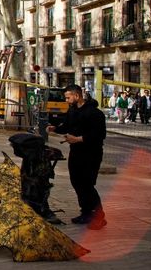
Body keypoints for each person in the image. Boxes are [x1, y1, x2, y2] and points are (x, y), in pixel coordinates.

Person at [47, 84, 106, 229]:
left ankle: (98, 215)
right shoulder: (73, 110)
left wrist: (79, 139)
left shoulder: (95, 113)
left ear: (77, 96)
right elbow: (67, 126)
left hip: (91, 153)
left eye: (68, 97)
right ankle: (86, 212)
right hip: (76, 152)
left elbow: (99, 135)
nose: (66, 100)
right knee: (77, 182)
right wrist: (55, 128)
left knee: (87, 184)